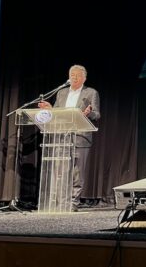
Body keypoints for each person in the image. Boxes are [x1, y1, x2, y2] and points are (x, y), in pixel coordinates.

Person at [38, 65, 100, 211]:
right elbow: (58, 114)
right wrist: (50, 109)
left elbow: (97, 114)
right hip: (62, 137)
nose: (74, 77)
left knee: (77, 174)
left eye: (77, 75)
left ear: (84, 78)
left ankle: (73, 203)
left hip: (80, 137)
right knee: (61, 172)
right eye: (72, 75)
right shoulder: (62, 92)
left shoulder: (91, 92)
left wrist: (88, 113)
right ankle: (61, 203)